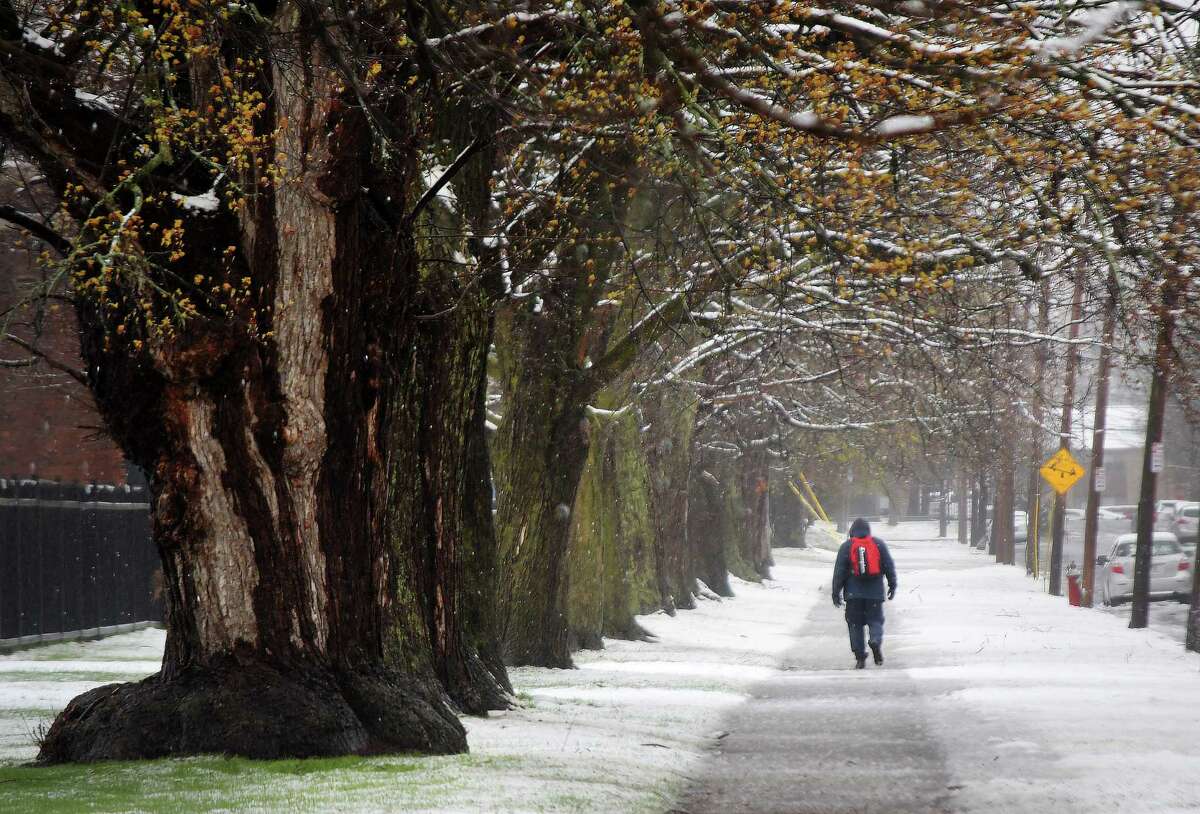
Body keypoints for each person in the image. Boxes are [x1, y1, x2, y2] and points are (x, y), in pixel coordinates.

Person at [832, 517, 897, 669]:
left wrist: (836, 592)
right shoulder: (878, 544)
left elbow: (839, 572)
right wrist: (892, 584)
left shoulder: (847, 547)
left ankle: (860, 657)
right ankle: (875, 640)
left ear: (852, 531)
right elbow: (889, 565)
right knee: (875, 621)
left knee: (855, 625)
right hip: (874, 594)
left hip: (853, 596)